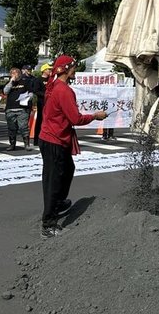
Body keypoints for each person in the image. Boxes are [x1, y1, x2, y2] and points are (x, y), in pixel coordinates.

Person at [39, 55, 107, 238]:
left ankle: (59, 203)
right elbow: (75, 118)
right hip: (54, 139)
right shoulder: (64, 91)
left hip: (49, 137)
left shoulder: (53, 86)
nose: (75, 70)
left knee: (67, 169)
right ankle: (48, 223)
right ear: (67, 70)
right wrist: (95, 116)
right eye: (73, 68)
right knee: (53, 180)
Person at [3, 67, 35, 151]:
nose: (14, 75)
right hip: (10, 108)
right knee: (11, 128)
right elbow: (5, 91)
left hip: (22, 108)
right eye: (12, 73)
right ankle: (12, 144)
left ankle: (26, 144)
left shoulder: (25, 82)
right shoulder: (9, 83)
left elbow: (31, 92)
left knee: (23, 127)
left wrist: (29, 97)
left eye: (16, 73)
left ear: (19, 74)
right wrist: (11, 81)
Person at [32, 63, 52, 146]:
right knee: (40, 120)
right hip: (41, 103)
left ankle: (48, 138)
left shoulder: (51, 80)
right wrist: (45, 95)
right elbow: (36, 91)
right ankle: (36, 140)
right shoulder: (38, 80)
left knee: (49, 121)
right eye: (48, 69)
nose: (50, 70)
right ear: (44, 70)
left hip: (50, 103)